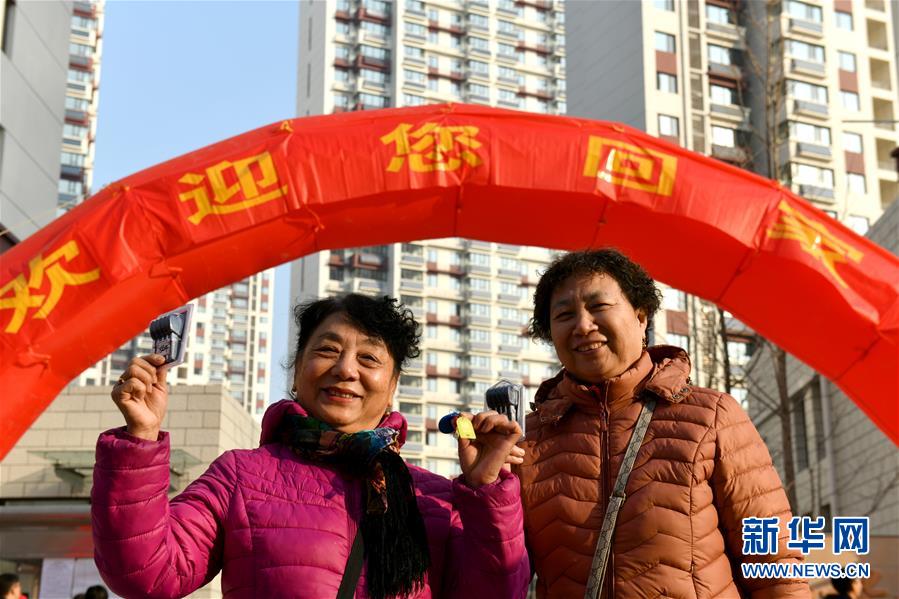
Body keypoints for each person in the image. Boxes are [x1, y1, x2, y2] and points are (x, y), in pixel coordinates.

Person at [92, 293, 529, 599]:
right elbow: (147, 574)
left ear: (393, 386)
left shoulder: (436, 499)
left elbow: (496, 592)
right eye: (327, 350)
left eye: (369, 358)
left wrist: (488, 491)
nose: (345, 369)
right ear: (298, 367)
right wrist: (140, 439)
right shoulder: (240, 475)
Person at [513, 249, 810, 598]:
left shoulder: (712, 416)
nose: (582, 325)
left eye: (599, 306)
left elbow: (775, 564)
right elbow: (498, 570)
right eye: (565, 315)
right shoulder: (526, 439)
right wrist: (481, 484)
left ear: (641, 317)